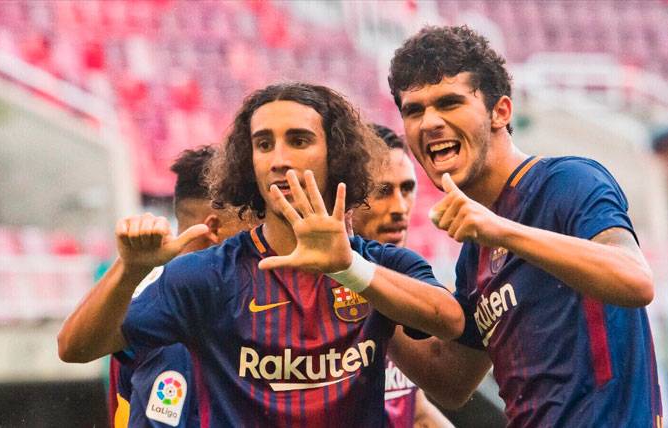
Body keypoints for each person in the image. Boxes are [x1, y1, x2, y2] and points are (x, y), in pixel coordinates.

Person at [58, 82, 464, 427]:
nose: (279, 159)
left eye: (299, 140)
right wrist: (129, 270)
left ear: (337, 155)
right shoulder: (208, 276)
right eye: (263, 144)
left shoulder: (382, 265)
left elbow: (449, 321)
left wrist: (348, 268)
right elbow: (75, 349)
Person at [385, 25, 663, 427]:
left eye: (448, 103)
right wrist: (355, 277)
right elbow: (451, 382)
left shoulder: (567, 182)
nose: (429, 122)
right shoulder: (474, 253)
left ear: (500, 112)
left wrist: (502, 230)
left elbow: (635, 280)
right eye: (414, 110)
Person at [108, 145, 258, 427]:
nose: (263, 238)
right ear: (214, 229)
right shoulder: (181, 316)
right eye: (256, 220)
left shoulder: (145, 301)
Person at [351, 124, 452, 428]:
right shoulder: (315, 295)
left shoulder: (410, 287)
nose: (400, 208)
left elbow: (413, 408)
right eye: (383, 191)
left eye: (406, 189)